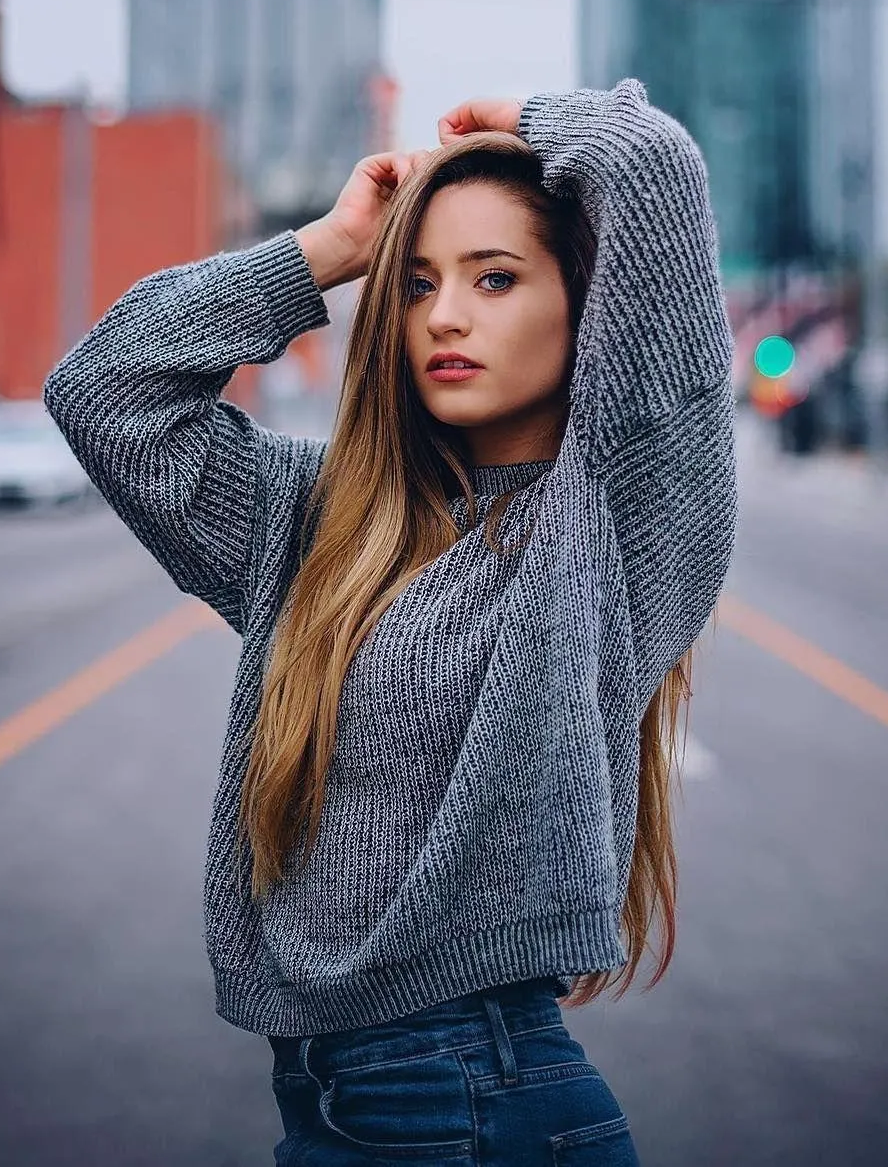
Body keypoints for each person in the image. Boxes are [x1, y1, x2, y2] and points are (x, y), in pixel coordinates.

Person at [44, 79, 738, 1164]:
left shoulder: (610, 526)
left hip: (475, 1104)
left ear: (588, 303)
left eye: (495, 278)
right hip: (327, 1100)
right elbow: (104, 392)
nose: (444, 317)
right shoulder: (319, 520)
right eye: (416, 285)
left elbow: (650, 163)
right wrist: (324, 250)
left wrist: (512, 126)